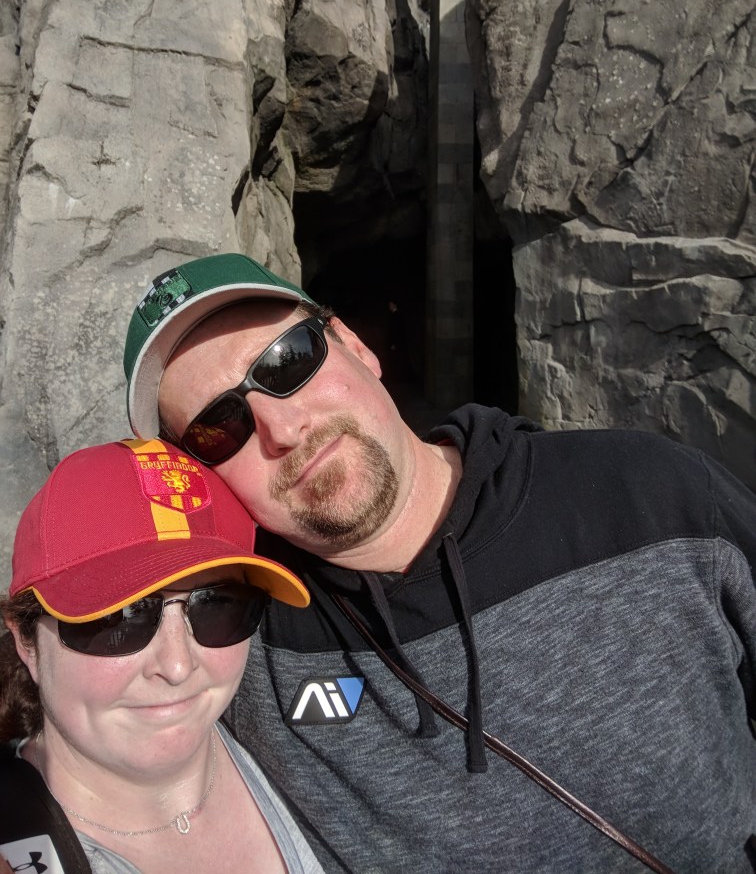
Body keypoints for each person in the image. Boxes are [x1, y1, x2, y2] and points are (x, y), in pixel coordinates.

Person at [123, 252, 756, 874]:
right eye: (217, 428)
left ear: (354, 346)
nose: (280, 429)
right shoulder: (229, 642)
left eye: (287, 362)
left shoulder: (650, 495)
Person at [0, 436, 324, 874]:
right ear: (26, 640)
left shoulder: (302, 753)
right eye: (118, 619)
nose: (177, 666)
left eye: (219, 606)